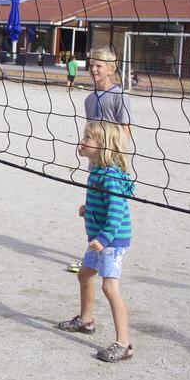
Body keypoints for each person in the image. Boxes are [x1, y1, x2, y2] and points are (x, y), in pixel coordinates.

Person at [58, 120, 135, 363]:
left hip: (110, 241)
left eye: (88, 138)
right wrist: (88, 209)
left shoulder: (110, 175)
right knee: (83, 275)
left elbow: (117, 212)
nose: (82, 141)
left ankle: (124, 343)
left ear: (103, 146)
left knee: (109, 288)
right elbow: (103, 204)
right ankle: (86, 320)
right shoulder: (97, 171)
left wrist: (104, 237)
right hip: (99, 238)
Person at [67, 46, 133, 273]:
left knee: (114, 206)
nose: (93, 69)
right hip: (95, 161)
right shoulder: (89, 99)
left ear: (111, 69)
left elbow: (125, 131)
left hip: (113, 162)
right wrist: (86, 147)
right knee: (95, 205)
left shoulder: (119, 96)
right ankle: (92, 255)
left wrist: (111, 155)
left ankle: (112, 249)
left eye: (99, 66)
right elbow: (90, 131)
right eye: (91, 65)